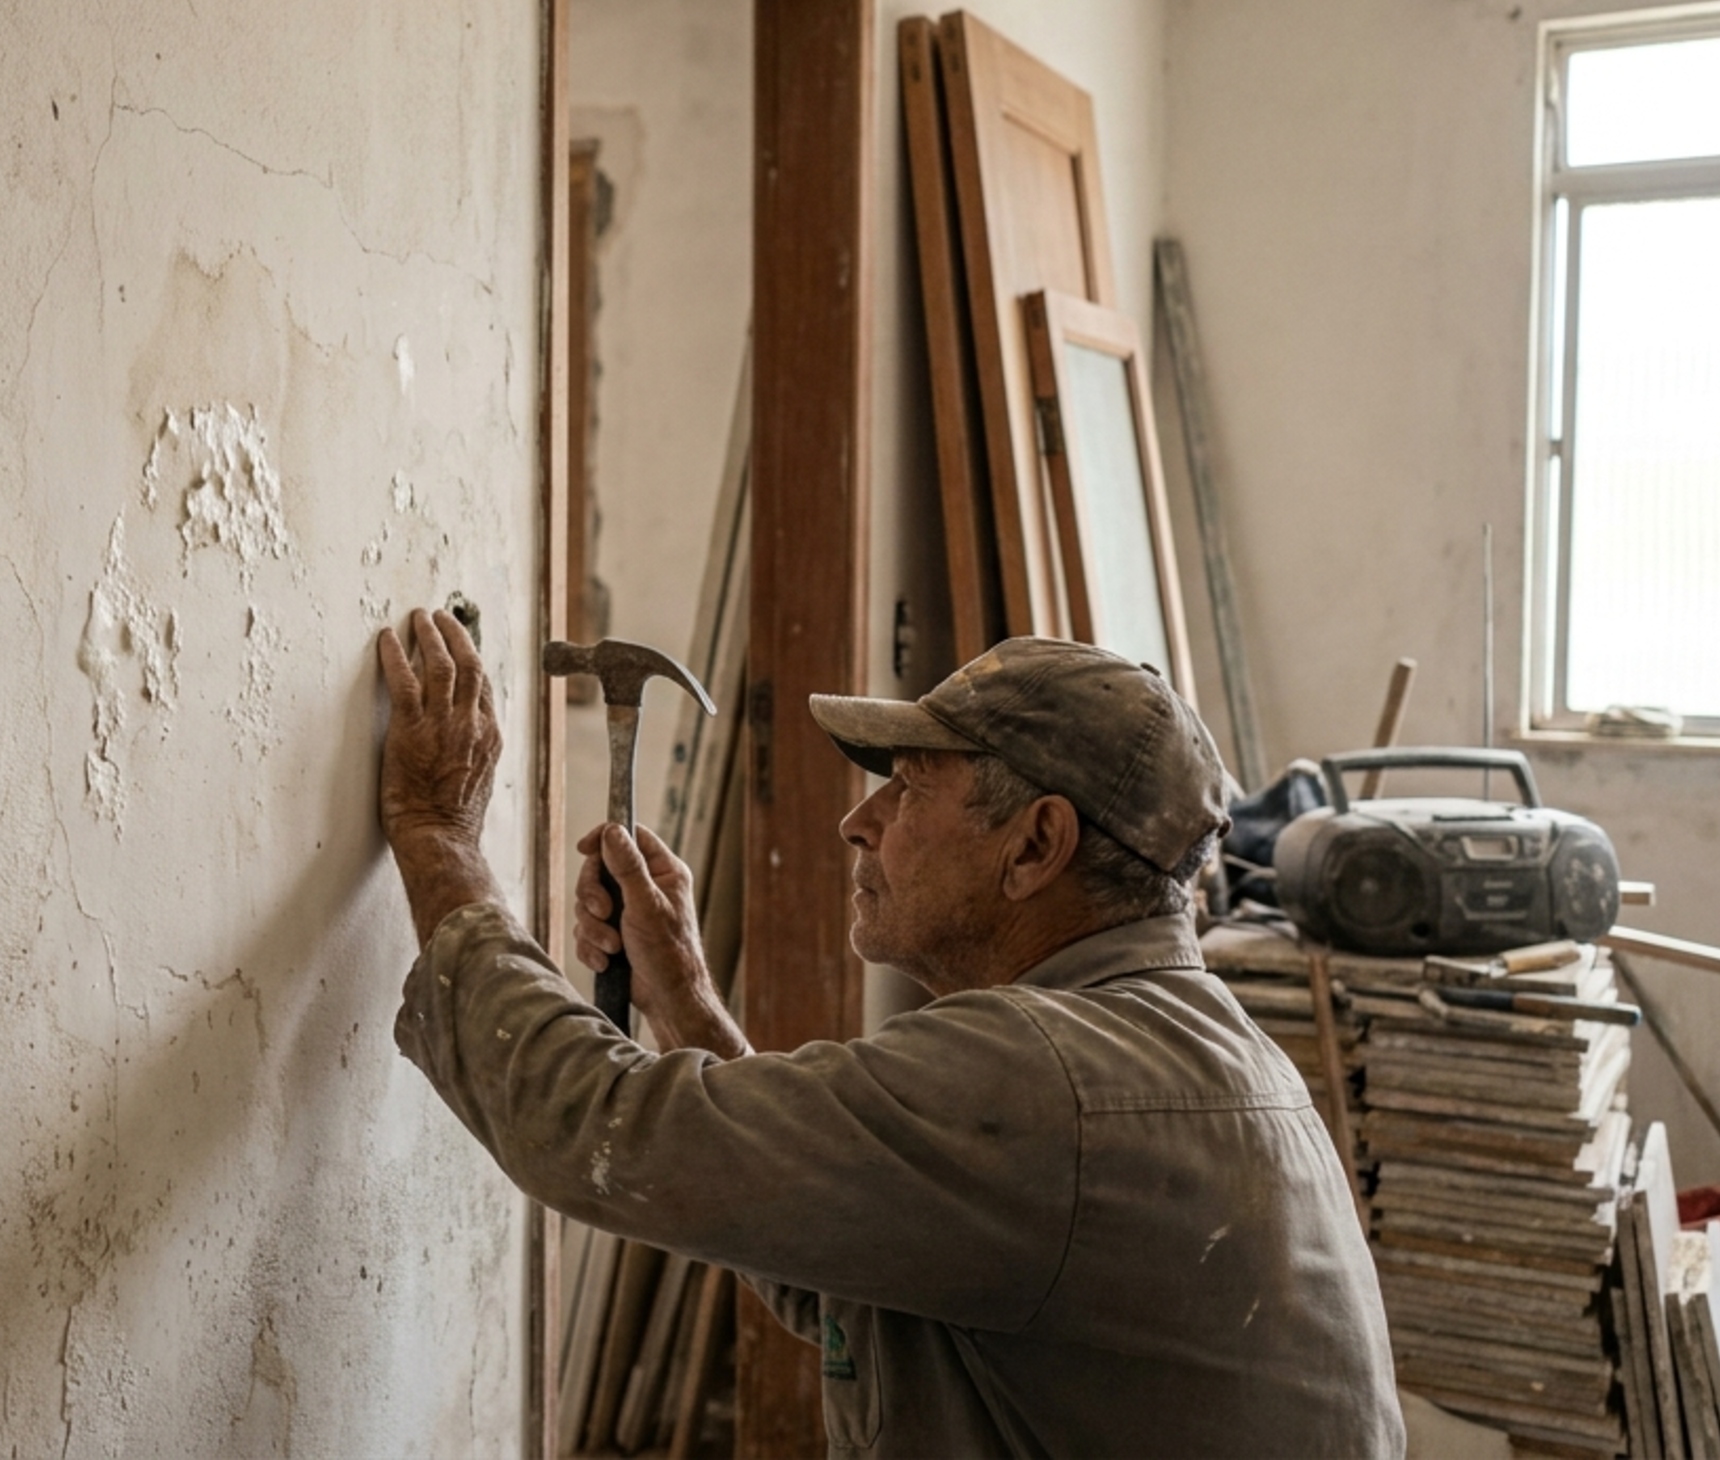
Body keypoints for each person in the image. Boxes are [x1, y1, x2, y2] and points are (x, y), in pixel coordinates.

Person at [372, 609, 1403, 1458]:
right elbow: (833, 1245)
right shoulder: (1199, 1045)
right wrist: (683, 995)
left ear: (1036, 843)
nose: (857, 823)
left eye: (908, 787)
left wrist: (437, 839)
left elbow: (607, 1132)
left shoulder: (1041, 1079)